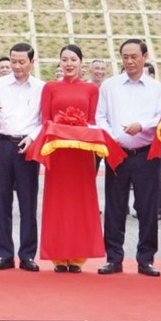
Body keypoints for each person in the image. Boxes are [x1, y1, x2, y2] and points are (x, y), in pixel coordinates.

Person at [30, 45, 104, 271]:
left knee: (79, 201)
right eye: (65, 59)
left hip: (81, 153)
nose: (69, 63)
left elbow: (92, 120)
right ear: (60, 63)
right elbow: (46, 120)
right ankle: (58, 256)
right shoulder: (50, 87)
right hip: (58, 152)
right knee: (58, 202)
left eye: (73, 59)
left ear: (81, 63)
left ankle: (77, 256)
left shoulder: (91, 89)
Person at [97, 38, 161, 275]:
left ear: (144, 57)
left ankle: (146, 259)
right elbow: (100, 117)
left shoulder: (157, 89)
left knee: (147, 207)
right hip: (117, 153)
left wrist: (143, 125)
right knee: (115, 206)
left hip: (146, 153)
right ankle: (113, 257)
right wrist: (111, 136)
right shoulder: (109, 86)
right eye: (125, 57)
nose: (129, 61)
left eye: (134, 56)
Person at [0, 42, 43, 271]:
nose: (17, 66)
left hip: (27, 146)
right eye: (13, 62)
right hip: (2, 144)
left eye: (22, 62)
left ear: (32, 62)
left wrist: (32, 137)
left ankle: (28, 254)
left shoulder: (41, 87)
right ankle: (5, 254)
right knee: (2, 202)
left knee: (28, 203)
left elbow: (44, 119)